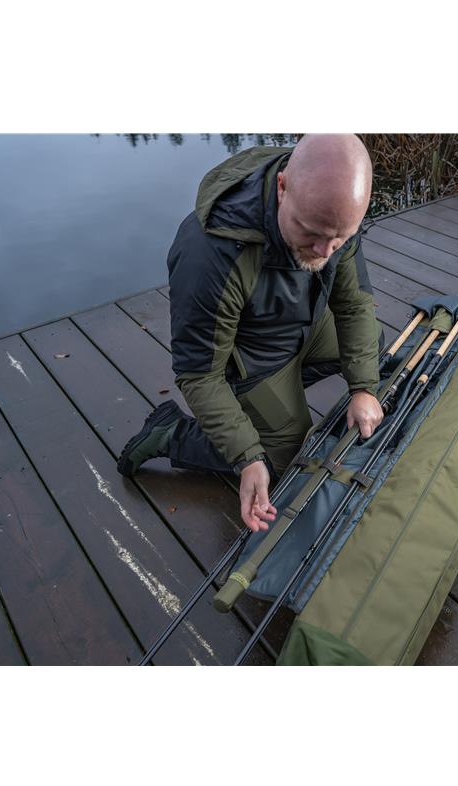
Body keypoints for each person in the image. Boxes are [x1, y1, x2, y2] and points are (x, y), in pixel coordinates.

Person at [117, 134, 385, 534]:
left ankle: (275, 398)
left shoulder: (332, 210)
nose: (325, 251)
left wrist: (363, 388)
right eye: (311, 233)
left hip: (301, 326)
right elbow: (199, 374)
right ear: (282, 188)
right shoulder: (209, 254)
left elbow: (354, 305)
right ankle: (172, 433)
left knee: (370, 345)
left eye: (340, 239)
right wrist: (247, 456)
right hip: (250, 360)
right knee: (281, 459)